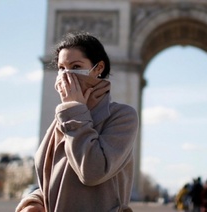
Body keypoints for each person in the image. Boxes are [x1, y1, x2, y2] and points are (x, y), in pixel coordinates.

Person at [15, 32, 139, 212]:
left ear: (98, 68)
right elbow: (53, 180)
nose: (66, 75)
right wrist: (34, 202)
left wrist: (74, 109)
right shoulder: (61, 119)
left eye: (75, 66)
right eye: (61, 68)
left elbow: (92, 172)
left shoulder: (122, 116)